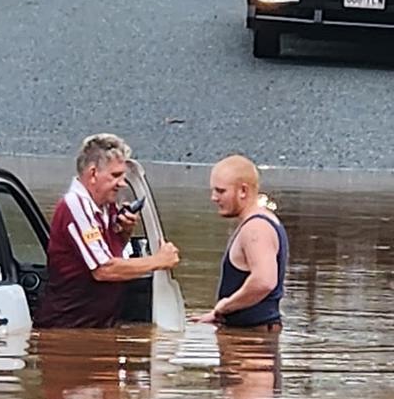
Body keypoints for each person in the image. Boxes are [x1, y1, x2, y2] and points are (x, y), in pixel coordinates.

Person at [34, 133, 179, 329]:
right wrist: (158, 261)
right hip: (68, 328)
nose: (122, 183)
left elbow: (110, 255)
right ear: (93, 173)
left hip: (98, 325)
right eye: (115, 175)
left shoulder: (106, 206)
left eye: (123, 176)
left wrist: (124, 232)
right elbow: (104, 269)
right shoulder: (75, 206)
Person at [199, 154, 288, 331]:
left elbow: (264, 282)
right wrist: (217, 314)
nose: (214, 198)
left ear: (243, 191)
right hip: (253, 334)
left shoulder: (256, 228)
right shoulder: (262, 221)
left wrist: (225, 306)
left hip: (254, 342)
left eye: (221, 191)